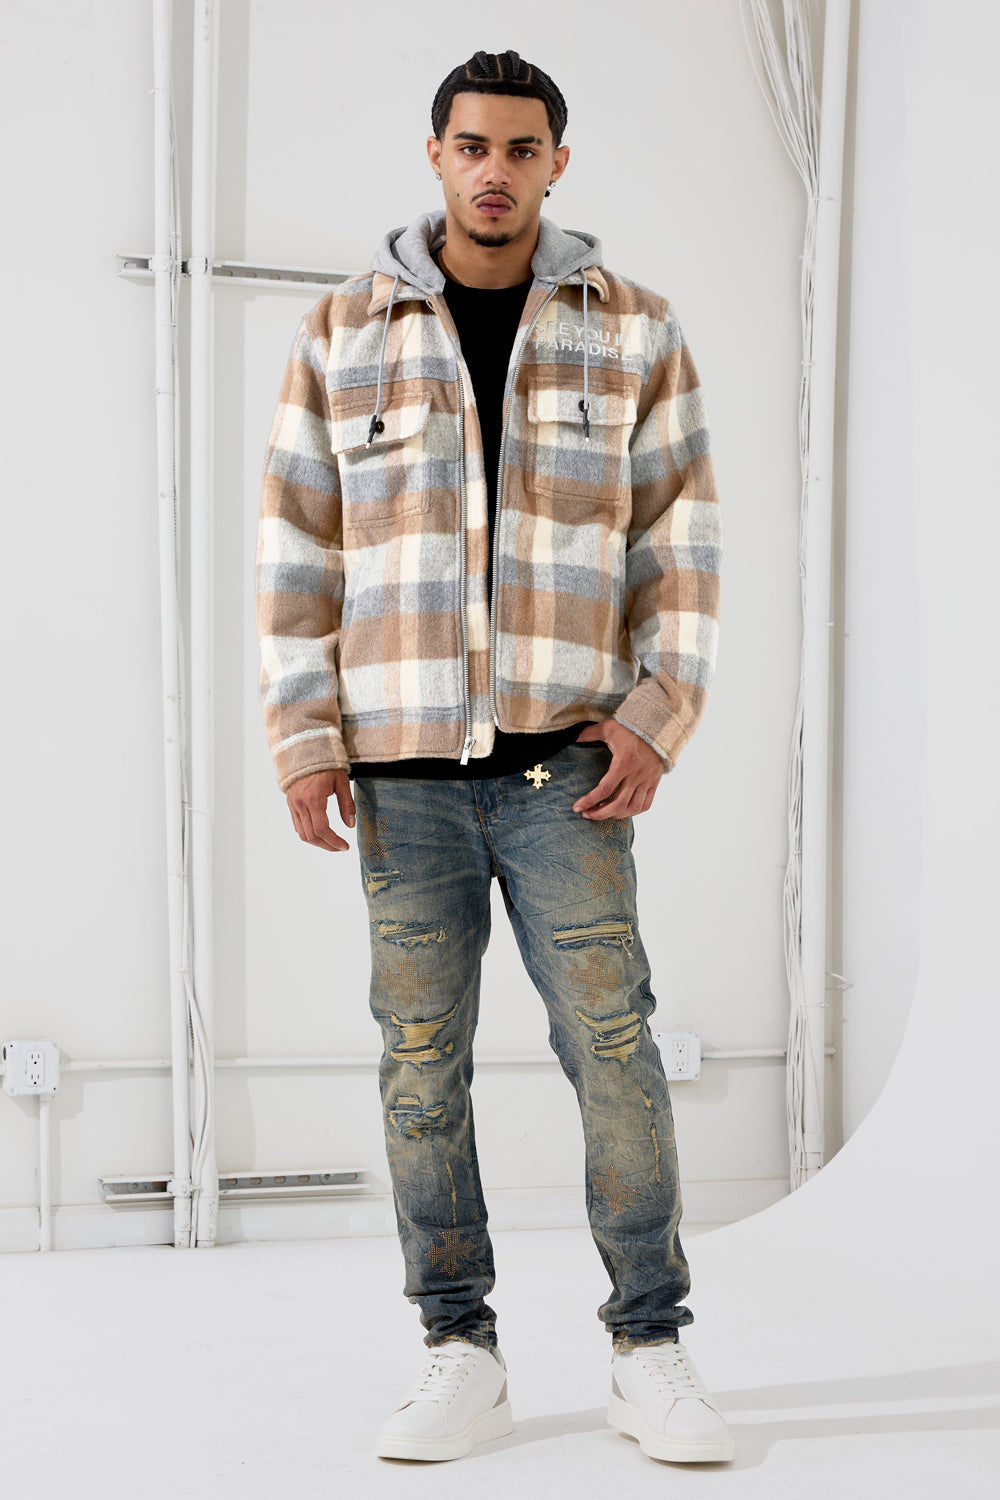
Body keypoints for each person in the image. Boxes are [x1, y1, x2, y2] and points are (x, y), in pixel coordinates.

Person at [255, 48, 732, 1466]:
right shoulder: (341, 331)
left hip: (564, 777)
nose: (495, 172)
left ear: (556, 164)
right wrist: (303, 736)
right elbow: (295, 550)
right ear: (437, 153)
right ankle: (458, 1351)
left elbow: (682, 541)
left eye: (523, 150)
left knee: (615, 1050)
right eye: (473, 146)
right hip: (401, 777)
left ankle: (651, 1347)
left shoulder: (633, 329)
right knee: (420, 1063)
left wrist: (657, 715)